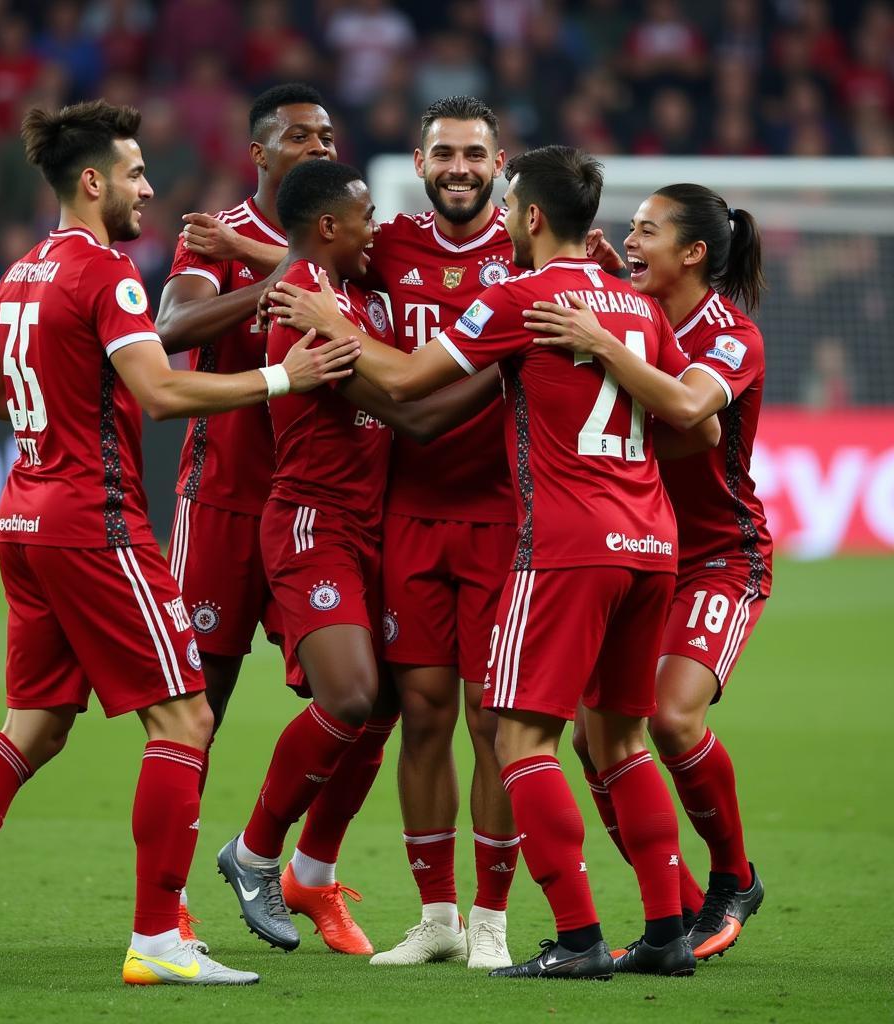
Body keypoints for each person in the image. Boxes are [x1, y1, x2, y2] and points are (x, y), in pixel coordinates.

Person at [0, 99, 359, 988]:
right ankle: (158, 939)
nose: (149, 188)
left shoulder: (21, 271)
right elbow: (165, 390)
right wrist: (281, 375)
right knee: (184, 718)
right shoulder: (109, 274)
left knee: (33, 726)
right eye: (137, 174)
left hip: (21, 517)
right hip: (94, 521)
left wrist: (66, 400)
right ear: (93, 181)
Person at [267, 144, 723, 979]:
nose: (504, 219)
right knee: (621, 742)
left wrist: (336, 329)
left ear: (533, 215)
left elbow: (404, 381)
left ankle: (579, 938)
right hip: (652, 543)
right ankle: (666, 932)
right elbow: (701, 428)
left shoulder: (518, 296)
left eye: (512, 205)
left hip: (565, 546)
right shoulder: (636, 308)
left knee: (519, 739)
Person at [215, 159, 505, 958]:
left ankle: (312, 868)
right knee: (350, 698)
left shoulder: (354, 293)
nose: (378, 225)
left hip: (373, 529)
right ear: (331, 227)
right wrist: (503, 359)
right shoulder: (309, 308)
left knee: (386, 708)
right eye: (366, 214)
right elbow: (414, 419)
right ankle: (255, 852)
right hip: (315, 522)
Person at [526, 183, 770, 961]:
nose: (627, 241)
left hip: (720, 556)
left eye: (646, 231)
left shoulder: (730, 335)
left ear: (693, 252)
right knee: (599, 741)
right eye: (626, 228)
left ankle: (734, 877)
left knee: (669, 719)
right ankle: (681, 912)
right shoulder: (636, 309)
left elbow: (692, 412)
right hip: (641, 549)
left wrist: (601, 343)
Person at [155, 83, 337, 948]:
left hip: (323, 507)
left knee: (359, 701)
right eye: (300, 136)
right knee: (201, 709)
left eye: (328, 133)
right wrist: (269, 275)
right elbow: (172, 324)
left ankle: (291, 866)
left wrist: (277, 262)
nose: (319, 145)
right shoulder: (213, 234)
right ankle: (167, 903)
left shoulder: (344, 233)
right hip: (225, 501)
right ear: (260, 153)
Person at [362, 96, 519, 971]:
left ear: (501, 162)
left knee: (495, 722)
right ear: (419, 165)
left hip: (506, 514)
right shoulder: (385, 248)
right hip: (409, 513)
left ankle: (492, 922)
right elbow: (308, 263)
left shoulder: (529, 252)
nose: (459, 166)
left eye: (474, 153)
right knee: (422, 716)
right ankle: (436, 917)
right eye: (444, 154)